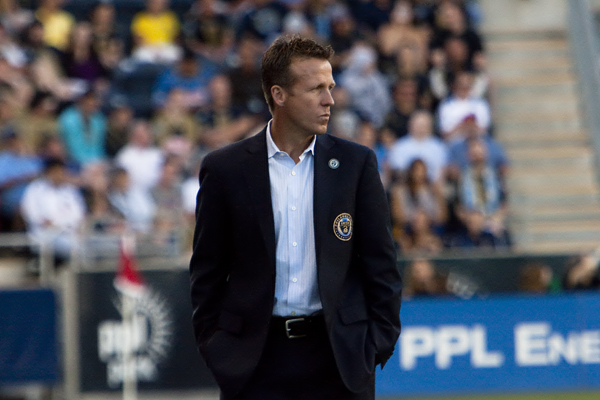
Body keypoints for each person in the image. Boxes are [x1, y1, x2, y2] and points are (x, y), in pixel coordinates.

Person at [189, 35, 402, 400]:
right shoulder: (225, 169)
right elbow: (206, 272)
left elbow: (381, 264)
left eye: (330, 87)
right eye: (316, 89)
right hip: (254, 363)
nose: (330, 100)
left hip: (339, 361)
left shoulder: (356, 164)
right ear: (279, 94)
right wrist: (219, 349)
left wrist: (376, 343)